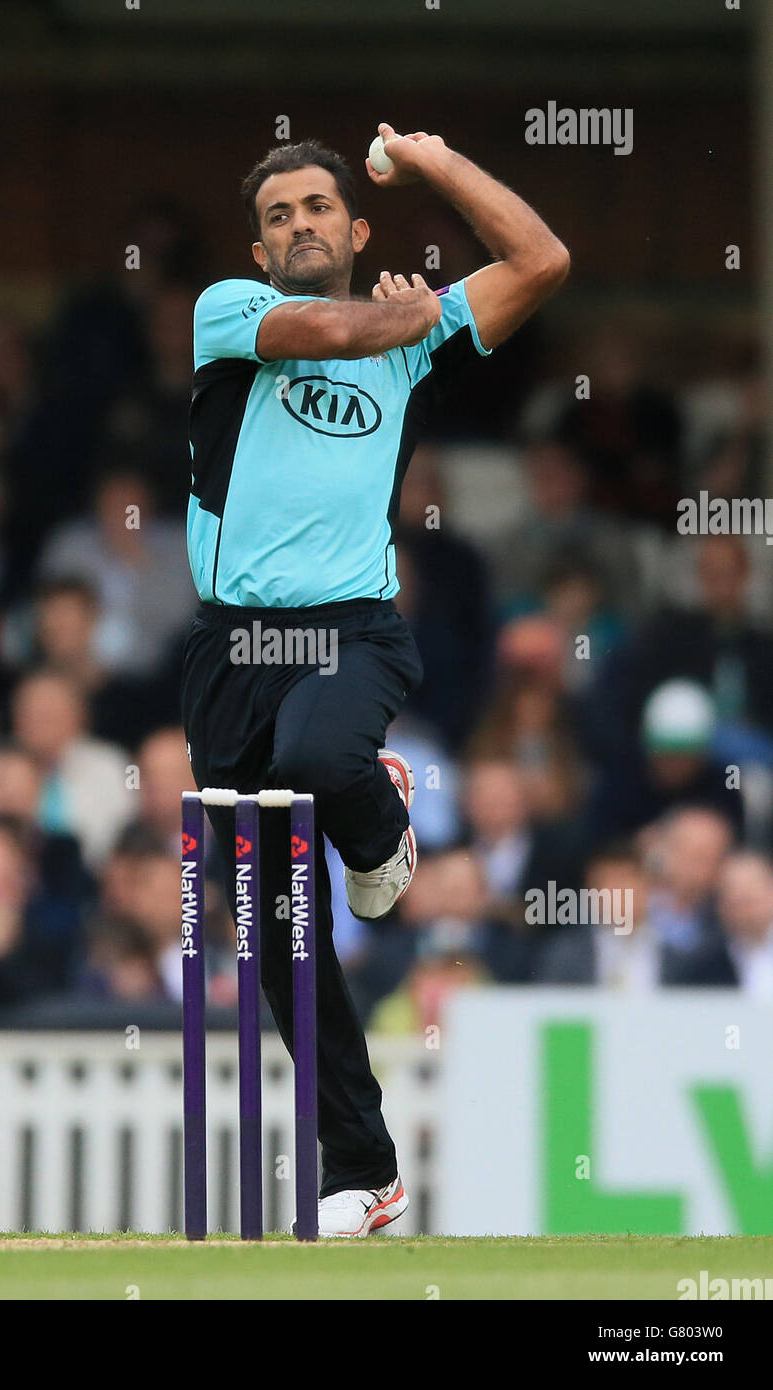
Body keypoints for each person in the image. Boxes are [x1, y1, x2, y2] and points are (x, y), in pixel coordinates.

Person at [181, 127, 568, 1237]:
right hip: (227, 650)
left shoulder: (404, 336)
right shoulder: (230, 317)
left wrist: (437, 163)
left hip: (350, 630)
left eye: (317, 208)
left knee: (317, 757)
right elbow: (331, 329)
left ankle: (377, 816)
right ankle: (366, 1170)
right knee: (271, 938)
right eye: (276, 216)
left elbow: (541, 262)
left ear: (356, 229)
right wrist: (424, 312)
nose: (296, 225)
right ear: (257, 250)